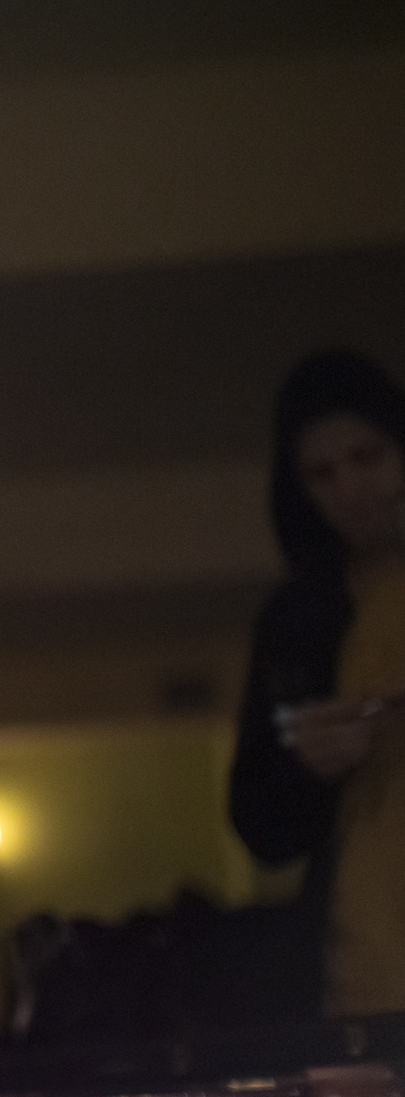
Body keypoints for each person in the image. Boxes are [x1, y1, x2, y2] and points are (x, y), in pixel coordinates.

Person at [230, 348, 405, 1017]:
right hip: (362, 977)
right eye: (322, 474)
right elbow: (259, 821)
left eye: (367, 457)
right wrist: (308, 765)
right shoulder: (300, 619)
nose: (350, 488)